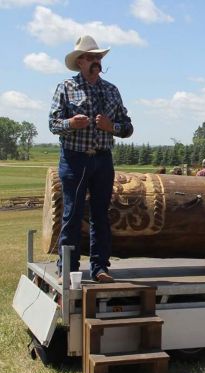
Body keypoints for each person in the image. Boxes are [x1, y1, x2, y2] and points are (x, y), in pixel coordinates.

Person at [49, 35, 133, 283]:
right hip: (74, 159)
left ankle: (99, 268)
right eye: (91, 57)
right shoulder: (65, 87)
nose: (96, 61)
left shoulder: (111, 90)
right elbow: (53, 124)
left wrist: (112, 127)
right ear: (80, 61)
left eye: (98, 57)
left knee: (100, 215)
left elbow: (128, 128)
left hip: (103, 160)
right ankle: (68, 270)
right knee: (72, 214)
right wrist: (70, 123)